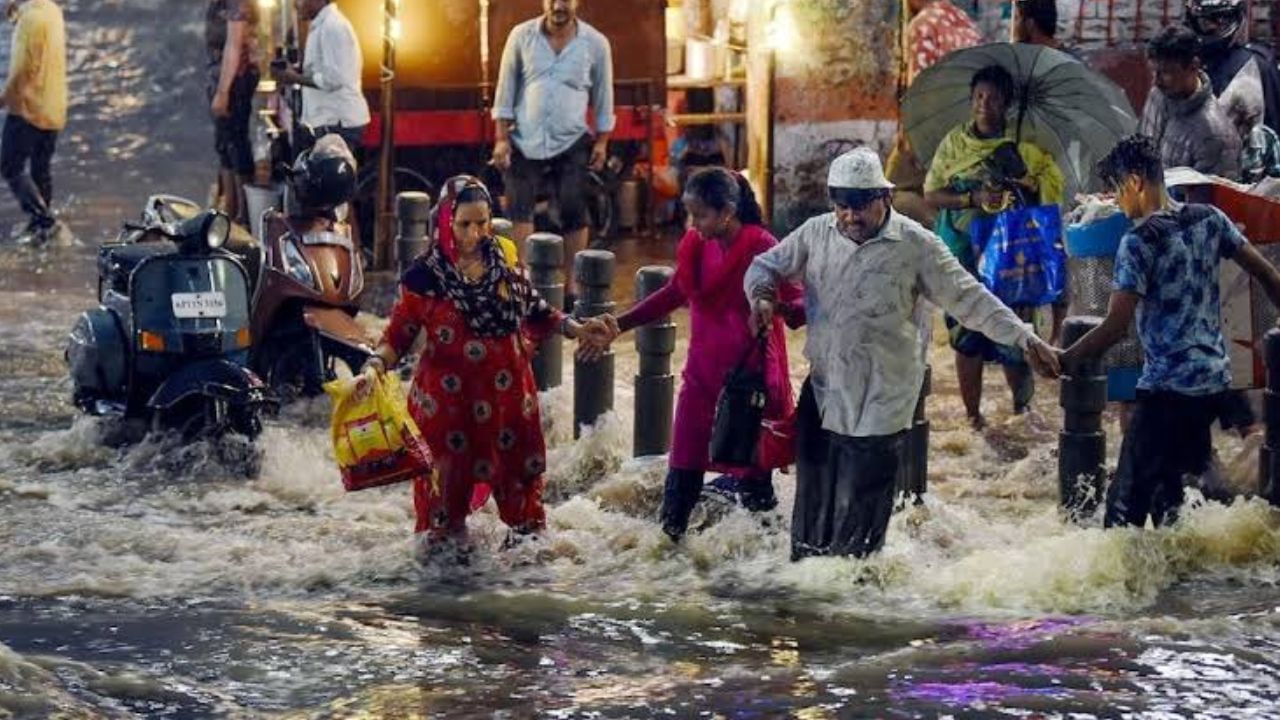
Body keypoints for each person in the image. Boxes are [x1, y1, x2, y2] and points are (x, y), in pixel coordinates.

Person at [745, 147, 1061, 561]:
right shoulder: (815, 233)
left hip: (883, 399)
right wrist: (763, 298)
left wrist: (1025, 338)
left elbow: (970, 299)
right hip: (825, 389)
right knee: (812, 509)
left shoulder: (917, 245)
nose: (851, 218)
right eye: (842, 207)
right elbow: (763, 266)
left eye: (861, 207)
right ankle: (808, 597)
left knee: (861, 521)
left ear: (885, 198)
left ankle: (855, 599)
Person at [364, 179, 611, 552]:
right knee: (443, 525)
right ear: (446, 221)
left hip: (507, 406)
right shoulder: (425, 275)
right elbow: (398, 334)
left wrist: (577, 328)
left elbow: (537, 310)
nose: (475, 233)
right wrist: (373, 367)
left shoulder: (505, 259)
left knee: (527, 519)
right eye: (465, 224)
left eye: (482, 223)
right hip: (449, 413)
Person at [1060, 135, 1280, 528]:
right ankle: (1180, 587)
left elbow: (1115, 326)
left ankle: (1128, 587)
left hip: (1165, 393)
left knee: (1122, 517)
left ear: (1136, 182)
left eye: (1117, 192)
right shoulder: (1209, 218)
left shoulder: (1139, 242)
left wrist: (1066, 359)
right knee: (1172, 507)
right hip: (1212, 385)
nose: (1117, 205)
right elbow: (1266, 274)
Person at [585, 168, 803, 541]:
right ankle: (668, 560)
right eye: (690, 214)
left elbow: (800, 303)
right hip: (700, 380)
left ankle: (766, 578)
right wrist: (619, 325)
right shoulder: (694, 247)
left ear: (728, 211)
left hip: (746, 389)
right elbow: (674, 294)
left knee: (755, 493)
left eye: (701, 215)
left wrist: (774, 307)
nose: (693, 223)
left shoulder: (762, 246)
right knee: (681, 473)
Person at [923, 64, 1066, 429]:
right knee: (965, 333)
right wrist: (973, 197)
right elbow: (932, 193)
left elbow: (1048, 198)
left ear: (1007, 104)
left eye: (993, 98)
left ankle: (1023, 413)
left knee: (1016, 333)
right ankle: (973, 418)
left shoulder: (1026, 147)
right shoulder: (954, 144)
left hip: (1010, 257)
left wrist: (1025, 182)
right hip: (964, 252)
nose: (984, 104)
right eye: (979, 97)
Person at [491, 0, 614, 304]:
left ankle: (571, 288)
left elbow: (603, 97)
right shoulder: (521, 36)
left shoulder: (596, 43)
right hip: (524, 138)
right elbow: (505, 90)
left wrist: (601, 142)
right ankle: (522, 284)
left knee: (574, 208)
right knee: (519, 207)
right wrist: (502, 138)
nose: (559, 4)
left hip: (572, 139)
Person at [886, 0, 984, 228]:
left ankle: (939, 236)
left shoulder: (924, 25)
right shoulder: (965, 23)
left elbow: (921, 91)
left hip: (932, 130)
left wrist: (912, 139)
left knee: (887, 196)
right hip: (966, 134)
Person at [1139, 25, 1241, 179]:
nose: (1156, 81)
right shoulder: (1159, 95)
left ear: (1193, 66)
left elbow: (1212, 201)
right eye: (1154, 71)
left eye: (1166, 72)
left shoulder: (1215, 137)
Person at [1, 0, 65, 243]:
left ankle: (43, 220)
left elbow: (23, 69)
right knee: (40, 167)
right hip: (54, 107)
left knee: (10, 166)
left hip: (28, 108)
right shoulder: (51, 11)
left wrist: (4, 99)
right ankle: (44, 230)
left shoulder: (30, 20)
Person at [272, 0, 369, 155]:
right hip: (326, 122)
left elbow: (334, 79)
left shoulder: (333, 26)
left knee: (332, 178)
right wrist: (294, 72)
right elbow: (323, 71)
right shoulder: (321, 26)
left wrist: (294, 78)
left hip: (337, 122)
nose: (297, 5)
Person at [1184, 0, 1280, 155]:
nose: (1211, 27)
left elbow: (1274, 127)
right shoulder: (1182, 61)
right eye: (1204, 22)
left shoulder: (1256, 65)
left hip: (1243, 170)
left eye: (1218, 21)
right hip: (1185, 169)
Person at [205, 0, 260, 225]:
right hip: (220, 77)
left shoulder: (238, 3)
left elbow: (234, 45)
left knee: (236, 143)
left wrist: (223, 91)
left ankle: (243, 214)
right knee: (224, 143)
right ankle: (230, 209)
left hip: (234, 80)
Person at [1011, 0, 1082, 59]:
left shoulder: (1021, 61)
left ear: (1030, 23)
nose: (1014, 26)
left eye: (1017, 18)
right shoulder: (1069, 59)